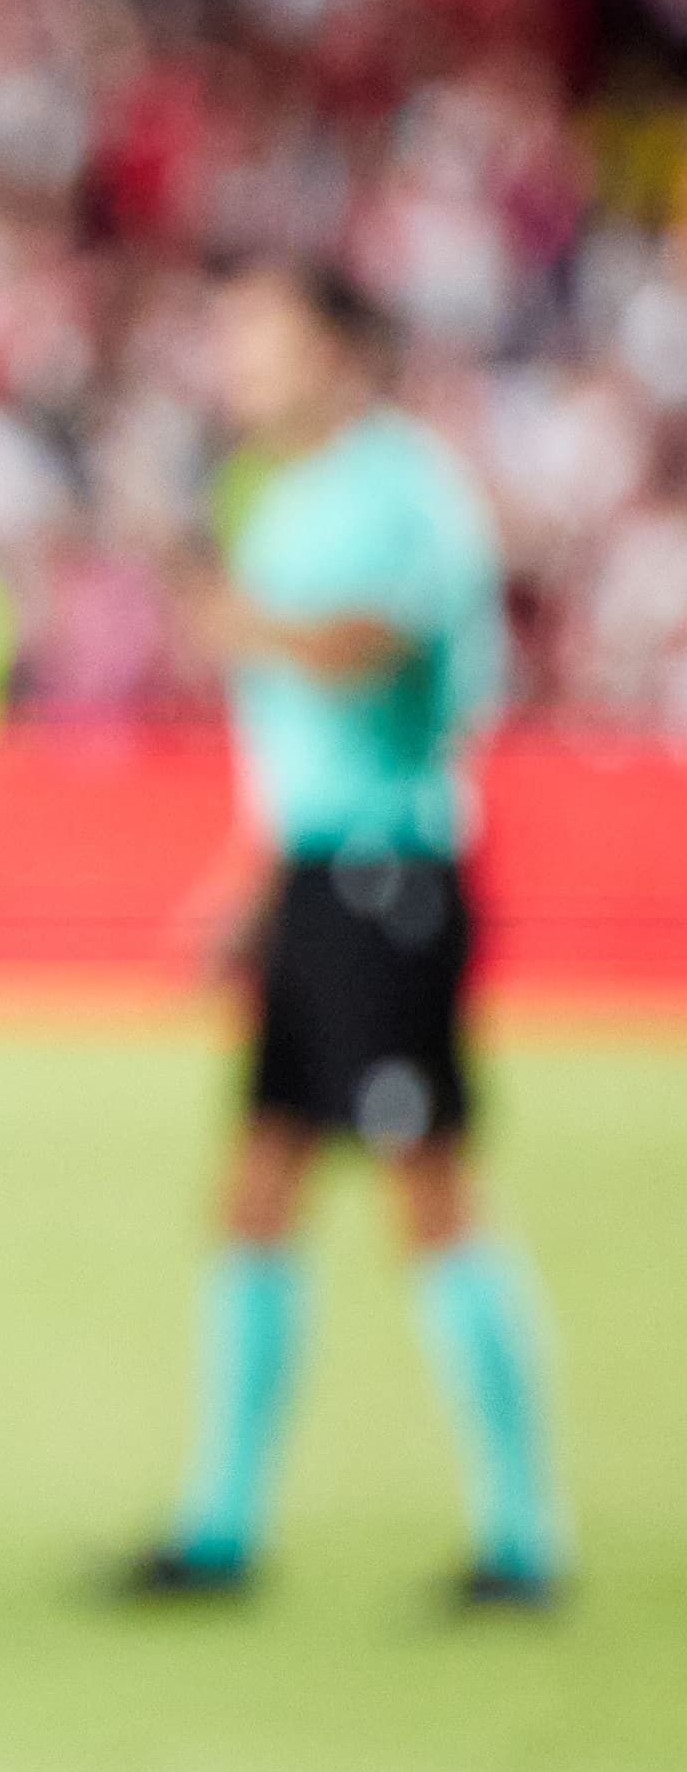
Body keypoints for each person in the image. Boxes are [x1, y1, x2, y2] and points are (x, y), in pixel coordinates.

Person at [123, 261, 565, 1607]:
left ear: (339, 353)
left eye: (264, 338)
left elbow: (373, 656)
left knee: (429, 1193)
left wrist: (226, 613)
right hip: (323, 879)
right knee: (256, 1194)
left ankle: (521, 1538)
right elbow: (299, 734)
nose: (242, 368)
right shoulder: (294, 498)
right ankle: (221, 1526)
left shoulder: (405, 489)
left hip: (392, 877)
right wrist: (255, 884)